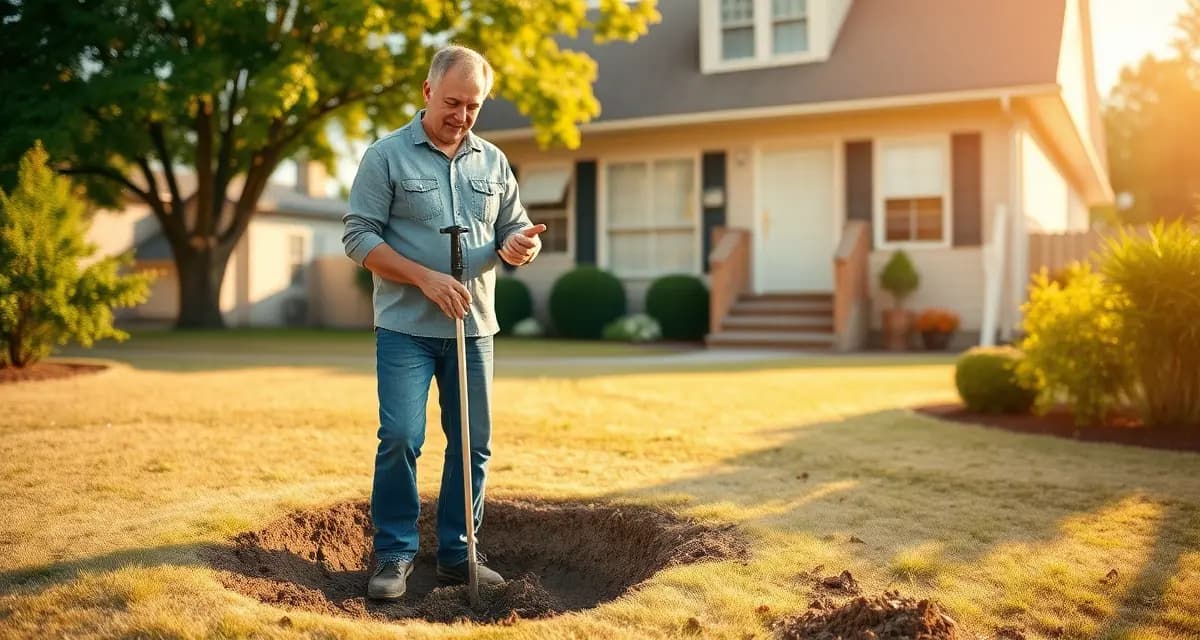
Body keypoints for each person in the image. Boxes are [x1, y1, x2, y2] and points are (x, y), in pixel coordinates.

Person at [341, 44, 545, 600]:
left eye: (474, 106)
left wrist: (520, 246)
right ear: (428, 91)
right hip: (405, 327)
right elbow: (357, 236)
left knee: (473, 443)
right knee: (401, 437)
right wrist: (424, 279)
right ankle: (394, 554)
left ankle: (459, 554)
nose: (462, 115)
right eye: (453, 102)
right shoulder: (386, 156)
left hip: (474, 328)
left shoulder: (494, 162)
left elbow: (513, 228)